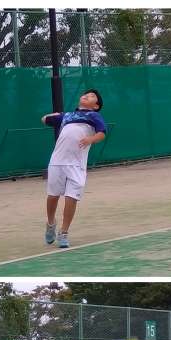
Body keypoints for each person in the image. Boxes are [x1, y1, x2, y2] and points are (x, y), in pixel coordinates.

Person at [41, 89, 106, 248]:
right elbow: (44, 119)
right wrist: (56, 115)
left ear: (96, 106)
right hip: (57, 161)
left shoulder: (94, 116)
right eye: (86, 94)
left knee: (72, 198)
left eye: (92, 96)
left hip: (77, 165)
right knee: (53, 196)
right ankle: (51, 223)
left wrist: (90, 139)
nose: (87, 95)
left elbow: (102, 133)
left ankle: (64, 232)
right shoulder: (67, 116)